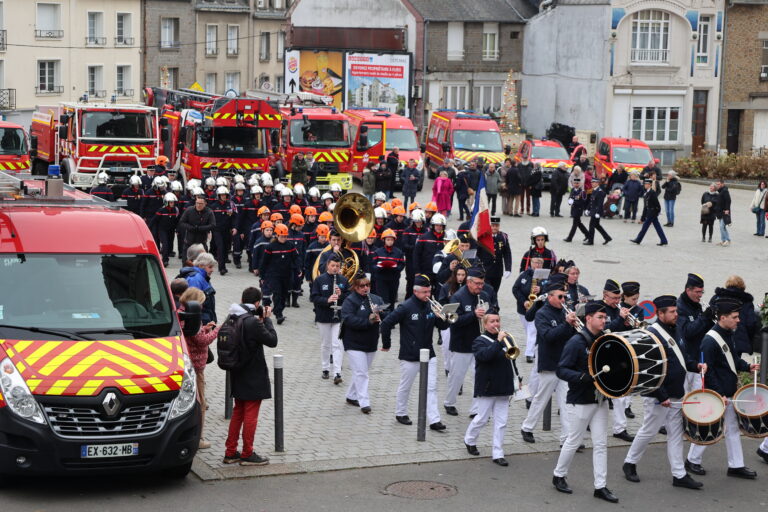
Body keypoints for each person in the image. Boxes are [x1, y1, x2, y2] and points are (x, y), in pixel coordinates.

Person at [622, 294, 707, 489]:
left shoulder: (676, 330)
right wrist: (661, 396)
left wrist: (696, 366)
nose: (676, 314)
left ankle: (679, 474)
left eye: (676, 310)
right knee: (649, 431)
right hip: (658, 395)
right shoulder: (651, 334)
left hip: (677, 391)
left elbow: (682, 357)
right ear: (660, 313)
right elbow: (648, 368)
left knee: (676, 435)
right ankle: (630, 462)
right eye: (672, 312)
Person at [553, 301, 618, 504]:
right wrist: (583, 377)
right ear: (588, 318)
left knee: (601, 443)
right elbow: (562, 370)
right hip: (581, 399)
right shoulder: (576, 342)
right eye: (600, 317)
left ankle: (600, 486)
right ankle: (558, 475)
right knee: (573, 440)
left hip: (600, 398)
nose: (604, 320)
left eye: (604, 317)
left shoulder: (604, 339)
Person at [699, 295, 760, 479]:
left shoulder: (728, 334)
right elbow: (707, 372)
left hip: (728, 390)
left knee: (729, 428)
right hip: (721, 393)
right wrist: (719, 394)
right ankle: (693, 461)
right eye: (735, 317)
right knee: (710, 428)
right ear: (722, 317)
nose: (738, 320)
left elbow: (732, 360)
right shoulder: (710, 340)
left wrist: (746, 366)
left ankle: (736, 465)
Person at [380, 274, 449, 431]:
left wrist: (441, 318)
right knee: (406, 385)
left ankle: (434, 420)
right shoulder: (405, 307)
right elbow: (386, 323)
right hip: (410, 355)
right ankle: (401, 412)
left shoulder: (431, 305)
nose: (428, 295)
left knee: (431, 387)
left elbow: (443, 328)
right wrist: (387, 344)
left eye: (429, 291)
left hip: (428, 354)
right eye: (424, 292)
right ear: (415, 291)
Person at [223, 286, 278, 466]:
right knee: (250, 415)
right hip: (253, 374)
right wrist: (267, 320)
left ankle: (230, 452)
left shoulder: (232, 317)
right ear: (257, 303)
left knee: (238, 412)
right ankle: (247, 453)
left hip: (237, 371)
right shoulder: (252, 322)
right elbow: (272, 340)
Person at [521, 275, 577, 445]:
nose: (563, 300)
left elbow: (571, 336)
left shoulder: (564, 311)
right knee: (541, 398)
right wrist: (567, 324)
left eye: (565, 297)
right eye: (560, 296)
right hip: (549, 363)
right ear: (550, 296)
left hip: (565, 363)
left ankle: (566, 438)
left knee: (566, 402)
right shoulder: (542, 314)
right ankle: (527, 427)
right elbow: (548, 336)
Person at [463, 309, 516, 466]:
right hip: (487, 385)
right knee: (482, 418)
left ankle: (498, 453)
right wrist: (498, 342)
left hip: (504, 385)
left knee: (502, 422)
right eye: (492, 321)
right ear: (485, 324)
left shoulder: (507, 339)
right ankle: (469, 439)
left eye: (497, 321)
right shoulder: (479, 341)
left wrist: (517, 378)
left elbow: (511, 359)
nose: (496, 324)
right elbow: (484, 357)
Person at [443, 267, 493, 417]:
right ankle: (449, 402)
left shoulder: (483, 295)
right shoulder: (457, 297)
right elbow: (453, 321)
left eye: (482, 283)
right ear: (469, 282)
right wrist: (473, 315)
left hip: (480, 343)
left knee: (480, 376)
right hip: (462, 344)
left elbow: (491, 311)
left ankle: (476, 409)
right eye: (477, 283)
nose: (480, 286)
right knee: (456, 376)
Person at [676, 272, 712, 476]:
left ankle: (691, 456)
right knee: (681, 401)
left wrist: (709, 319)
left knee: (699, 402)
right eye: (698, 292)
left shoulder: (696, 306)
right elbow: (687, 332)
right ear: (688, 290)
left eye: (702, 292)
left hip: (697, 362)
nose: (700, 295)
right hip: (685, 363)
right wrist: (704, 319)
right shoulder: (680, 308)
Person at [178, 286, 219, 450]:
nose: (202, 306)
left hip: (190, 364)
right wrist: (217, 330)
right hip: (195, 366)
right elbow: (201, 340)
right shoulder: (190, 316)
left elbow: (195, 333)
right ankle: (199, 439)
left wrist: (204, 328)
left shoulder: (182, 312)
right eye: (201, 303)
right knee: (200, 403)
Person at [340, 273, 387, 414]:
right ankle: (364, 402)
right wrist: (368, 321)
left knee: (362, 371)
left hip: (370, 341)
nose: (365, 288)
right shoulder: (350, 301)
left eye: (367, 285)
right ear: (355, 287)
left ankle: (351, 395)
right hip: (353, 341)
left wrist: (382, 314)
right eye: (362, 286)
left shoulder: (375, 298)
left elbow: (388, 313)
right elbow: (348, 319)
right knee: (362, 373)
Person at [310, 254, 349, 385]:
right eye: (333, 265)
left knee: (337, 344)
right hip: (323, 316)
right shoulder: (320, 280)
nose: (335, 268)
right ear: (328, 265)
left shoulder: (343, 280)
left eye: (337, 266)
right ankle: (325, 368)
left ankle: (337, 372)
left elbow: (349, 297)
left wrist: (341, 295)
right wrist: (327, 300)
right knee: (326, 344)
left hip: (338, 317)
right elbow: (314, 297)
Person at [259, 223, 300, 325]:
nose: (284, 238)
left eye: (285, 236)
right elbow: (264, 262)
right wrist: (262, 276)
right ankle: (278, 314)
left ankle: (279, 309)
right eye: (282, 236)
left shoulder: (290, 246)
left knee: (284, 294)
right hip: (274, 275)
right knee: (277, 294)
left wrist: (298, 269)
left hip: (286, 274)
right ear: (277, 235)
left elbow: (296, 258)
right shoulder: (270, 247)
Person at [511, 257, 544, 364]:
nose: (537, 265)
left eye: (540, 263)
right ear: (531, 263)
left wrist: (541, 289)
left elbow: (551, 290)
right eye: (535, 262)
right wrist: (524, 301)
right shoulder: (524, 275)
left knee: (532, 331)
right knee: (529, 331)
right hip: (523, 309)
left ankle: (529, 354)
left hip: (538, 309)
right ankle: (534, 347)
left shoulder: (546, 277)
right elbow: (515, 289)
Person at [371, 229, 405, 311]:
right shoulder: (377, 252)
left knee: (392, 300)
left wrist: (396, 268)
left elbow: (402, 265)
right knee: (383, 301)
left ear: (394, 240)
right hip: (381, 280)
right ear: (384, 240)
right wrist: (379, 267)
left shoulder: (399, 252)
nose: (390, 241)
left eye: (391, 240)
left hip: (393, 279)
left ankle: (391, 320)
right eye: (388, 239)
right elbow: (373, 265)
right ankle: (383, 319)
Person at [477, 217, 512, 292]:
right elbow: (477, 253)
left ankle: (494, 303)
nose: (494, 228)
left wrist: (508, 268)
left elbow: (507, 253)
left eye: (496, 226)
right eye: (492, 226)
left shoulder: (503, 237)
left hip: (498, 271)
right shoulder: (483, 237)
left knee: (495, 291)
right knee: (488, 291)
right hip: (485, 270)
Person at [630, 179, 668, 246]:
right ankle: (664, 240)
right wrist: (643, 216)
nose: (645, 185)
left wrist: (657, 212)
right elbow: (645, 205)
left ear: (650, 185)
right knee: (657, 227)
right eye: (645, 184)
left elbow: (657, 203)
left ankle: (638, 240)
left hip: (652, 212)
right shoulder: (646, 192)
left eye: (646, 184)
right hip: (649, 212)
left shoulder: (652, 192)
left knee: (645, 226)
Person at [185, 252, 218, 325]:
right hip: (201, 322)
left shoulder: (202, 277)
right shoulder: (195, 279)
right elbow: (193, 305)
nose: (212, 270)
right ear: (201, 265)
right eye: (210, 267)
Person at [210, 186, 236, 275]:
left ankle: (223, 263)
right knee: (220, 248)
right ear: (218, 195)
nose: (224, 196)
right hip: (217, 230)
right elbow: (210, 219)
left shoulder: (231, 205)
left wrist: (234, 227)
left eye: (225, 195)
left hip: (227, 230)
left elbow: (235, 217)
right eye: (222, 195)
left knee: (226, 248)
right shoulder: (214, 206)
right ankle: (222, 268)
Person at [584, 180, 612, 245]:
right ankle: (607, 237)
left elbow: (600, 203)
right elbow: (591, 201)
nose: (592, 184)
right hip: (593, 210)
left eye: (594, 182)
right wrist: (587, 209)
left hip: (596, 211)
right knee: (597, 225)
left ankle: (591, 241)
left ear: (597, 183)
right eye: (592, 182)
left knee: (591, 226)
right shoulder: (594, 190)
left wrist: (598, 212)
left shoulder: (600, 192)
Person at [563, 178, 588, 242]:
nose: (576, 184)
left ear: (580, 184)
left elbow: (583, 202)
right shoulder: (572, 190)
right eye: (575, 183)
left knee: (575, 225)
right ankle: (588, 234)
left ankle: (569, 238)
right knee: (579, 223)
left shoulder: (582, 192)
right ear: (573, 184)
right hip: (573, 209)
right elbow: (570, 197)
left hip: (578, 210)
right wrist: (569, 201)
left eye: (577, 183)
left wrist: (573, 201)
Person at [715, 178, 732, 246]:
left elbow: (728, 201)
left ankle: (727, 240)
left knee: (722, 226)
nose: (718, 185)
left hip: (724, 212)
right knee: (721, 226)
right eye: (717, 184)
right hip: (720, 211)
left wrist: (727, 210)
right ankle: (723, 240)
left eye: (719, 184)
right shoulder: (720, 191)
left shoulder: (725, 191)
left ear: (722, 184)